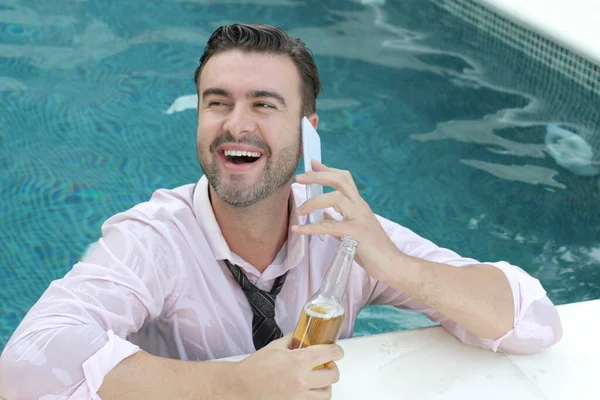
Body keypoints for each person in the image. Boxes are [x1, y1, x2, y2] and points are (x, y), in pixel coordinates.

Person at [0, 23, 563, 400]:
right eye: (217, 102)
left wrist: (397, 267)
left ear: (307, 132)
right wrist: (235, 385)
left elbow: (534, 321)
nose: (236, 124)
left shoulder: (345, 233)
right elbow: (25, 363)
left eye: (264, 105)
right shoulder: (154, 238)